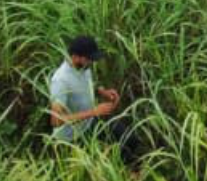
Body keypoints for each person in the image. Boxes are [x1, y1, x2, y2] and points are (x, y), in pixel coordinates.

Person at [48, 34, 140, 164]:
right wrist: (94, 112)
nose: (92, 62)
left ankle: (130, 170)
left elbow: (84, 84)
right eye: (89, 59)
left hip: (90, 122)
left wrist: (102, 91)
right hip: (72, 137)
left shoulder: (83, 67)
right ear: (75, 57)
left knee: (130, 140)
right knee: (99, 166)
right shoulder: (60, 81)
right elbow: (56, 121)